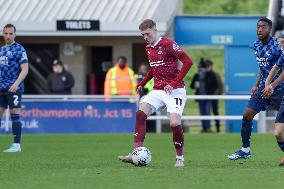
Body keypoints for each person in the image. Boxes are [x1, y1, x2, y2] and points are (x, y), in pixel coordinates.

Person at [118, 19, 193, 167]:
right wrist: (142, 83)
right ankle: (136, 152)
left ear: (155, 30)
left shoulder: (168, 44)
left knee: (174, 123)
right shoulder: (148, 48)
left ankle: (180, 158)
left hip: (175, 90)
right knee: (140, 113)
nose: (145, 37)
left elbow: (188, 62)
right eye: (142, 35)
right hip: (158, 90)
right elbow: (154, 69)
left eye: (147, 33)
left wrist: (173, 83)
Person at [228, 17, 284, 161]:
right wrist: (256, 84)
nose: (259, 29)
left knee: (279, 129)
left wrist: (273, 85)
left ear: (270, 29)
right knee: (247, 114)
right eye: (258, 27)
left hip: (280, 89)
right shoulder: (256, 45)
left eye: (263, 27)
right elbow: (263, 68)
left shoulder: (276, 46)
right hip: (263, 89)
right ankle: (245, 149)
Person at [0, 24, 29, 152]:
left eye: (11, 33)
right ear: (3, 34)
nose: (8, 36)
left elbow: (25, 69)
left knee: (15, 115)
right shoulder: (1, 50)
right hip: (1, 87)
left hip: (14, 88)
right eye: (6, 33)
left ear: (15, 34)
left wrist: (16, 84)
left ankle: (16, 145)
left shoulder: (19, 49)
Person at [190, 59, 211, 132]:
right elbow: (191, 86)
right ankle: (204, 128)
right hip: (200, 97)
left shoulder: (209, 75)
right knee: (202, 112)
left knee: (207, 112)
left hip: (208, 96)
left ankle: (208, 127)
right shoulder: (196, 75)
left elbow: (213, 85)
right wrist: (195, 86)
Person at [205, 59, 224, 133]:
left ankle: (218, 129)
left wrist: (219, 93)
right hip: (205, 96)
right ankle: (207, 128)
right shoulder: (204, 75)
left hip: (214, 96)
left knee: (215, 112)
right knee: (206, 112)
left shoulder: (215, 75)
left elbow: (220, 85)